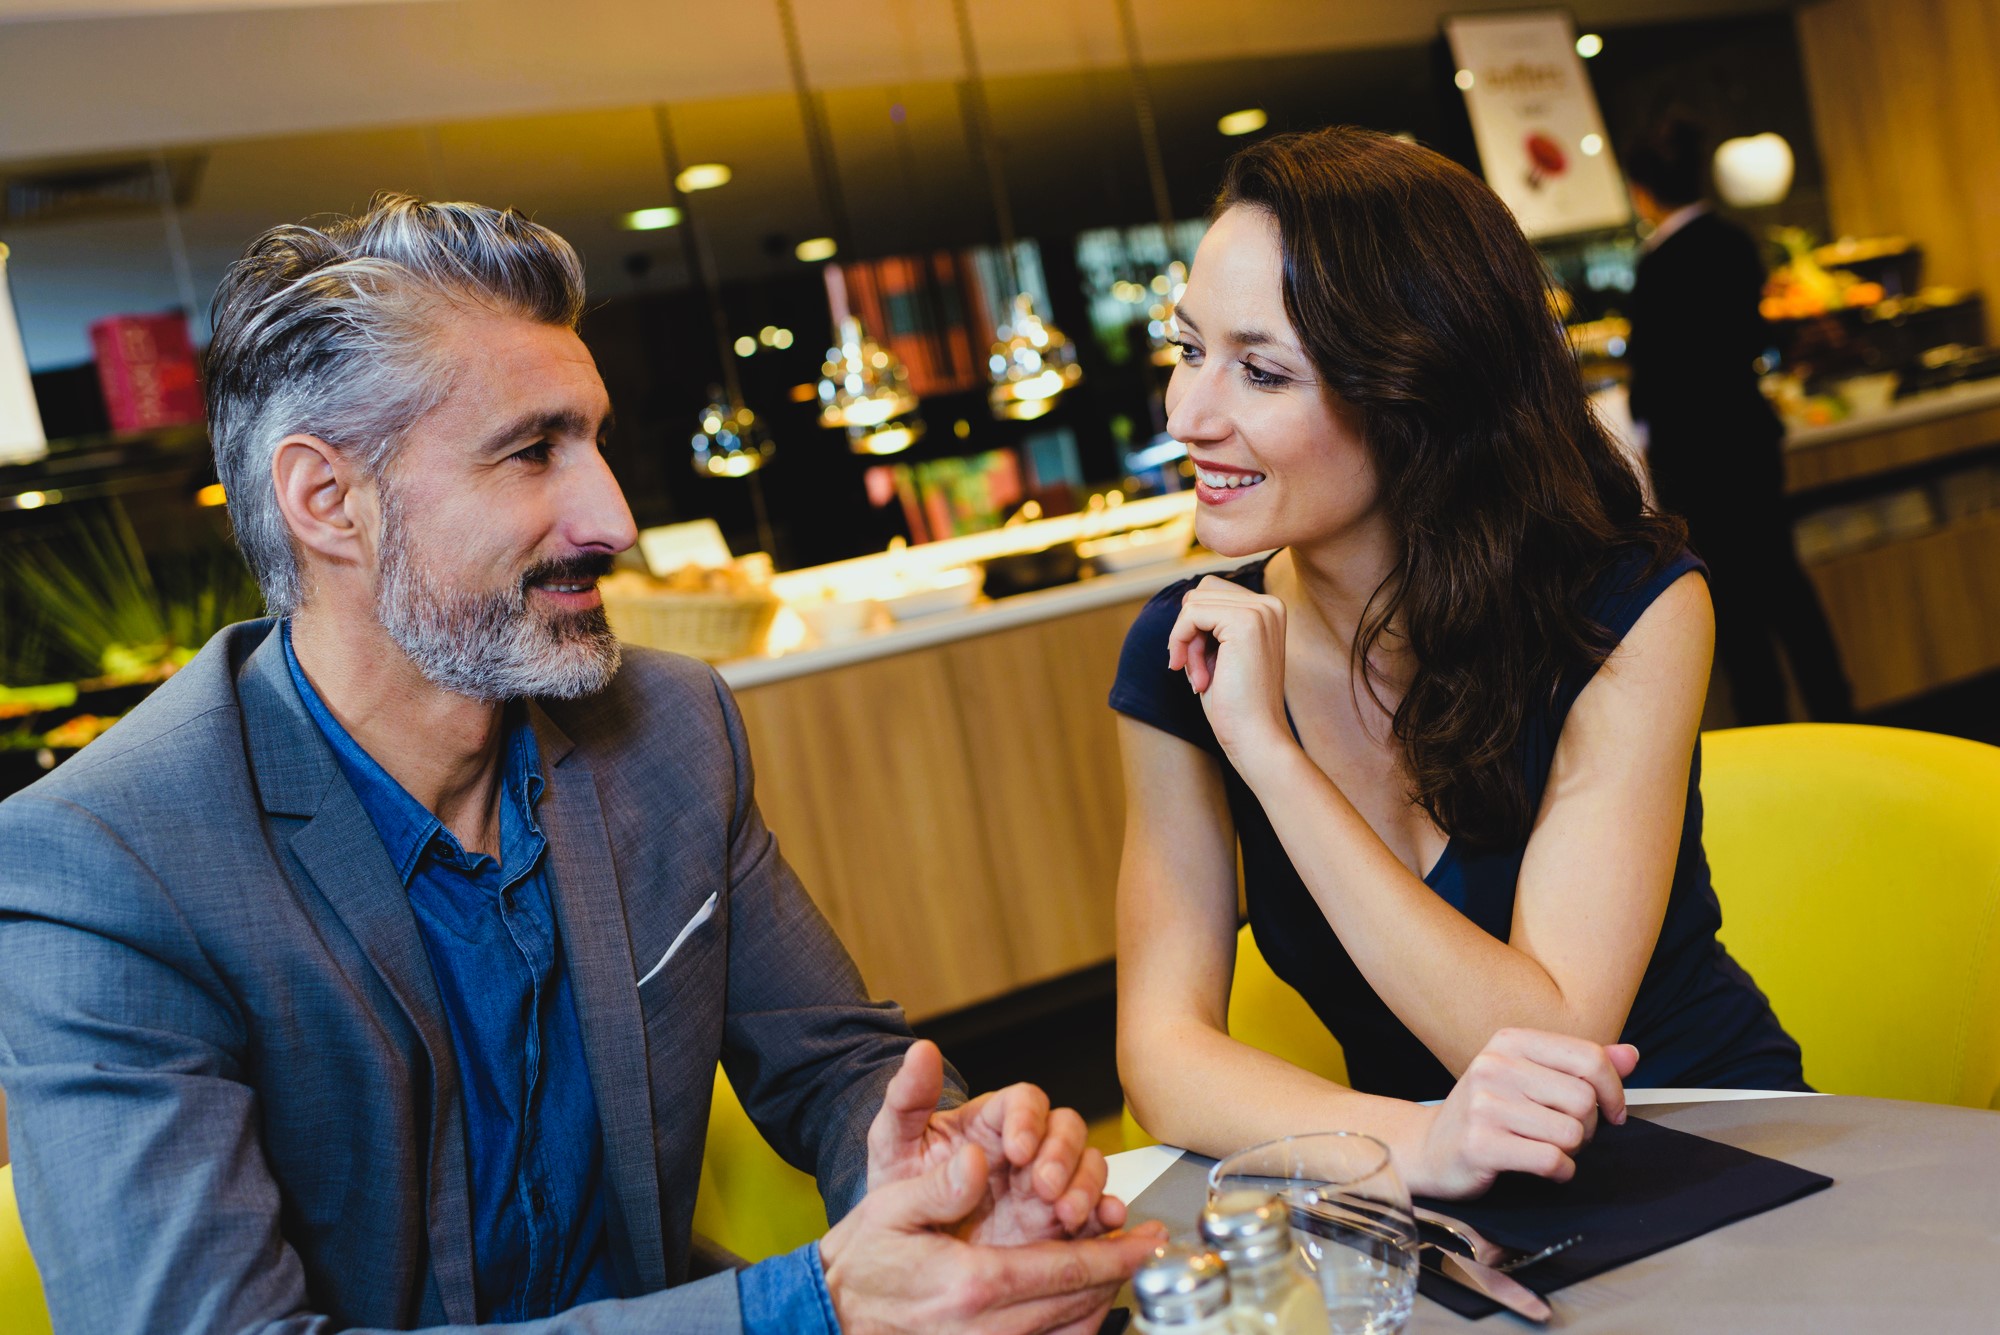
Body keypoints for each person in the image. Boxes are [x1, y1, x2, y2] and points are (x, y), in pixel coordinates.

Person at [0, 195, 1162, 1334]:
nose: (611, 517)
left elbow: (831, 1065)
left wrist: (946, 1180)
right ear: (327, 500)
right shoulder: (105, 870)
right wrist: (808, 1305)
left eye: (594, 441)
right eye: (530, 451)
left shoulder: (663, 726)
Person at [1112, 128, 1807, 1201]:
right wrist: (1407, 1148)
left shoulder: (1628, 604)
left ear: (1415, 391)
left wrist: (1269, 754)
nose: (1186, 415)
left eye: (1258, 370)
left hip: (1691, 1148)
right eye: (1187, 348)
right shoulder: (1185, 651)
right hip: (1430, 1203)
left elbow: (1549, 1038)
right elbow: (1161, 1056)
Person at [1623, 115, 1855, 725]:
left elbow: (1653, 377)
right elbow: (1751, 337)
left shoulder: (1657, 266)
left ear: (1641, 189)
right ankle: (1838, 710)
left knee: (1735, 606)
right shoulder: (1732, 241)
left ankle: (1767, 725)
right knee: (1784, 584)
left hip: (1696, 460)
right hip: (1748, 442)